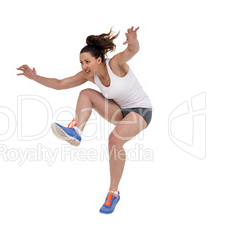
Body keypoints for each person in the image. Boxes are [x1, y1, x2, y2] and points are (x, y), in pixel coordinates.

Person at [17, 26, 153, 214]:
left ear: (99, 60)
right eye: (81, 63)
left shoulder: (115, 64)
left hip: (141, 110)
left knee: (114, 140)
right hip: (120, 111)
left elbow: (132, 50)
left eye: (87, 62)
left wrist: (133, 40)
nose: (84, 67)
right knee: (85, 93)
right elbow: (60, 84)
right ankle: (77, 131)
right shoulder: (89, 76)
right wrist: (34, 77)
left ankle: (113, 193)